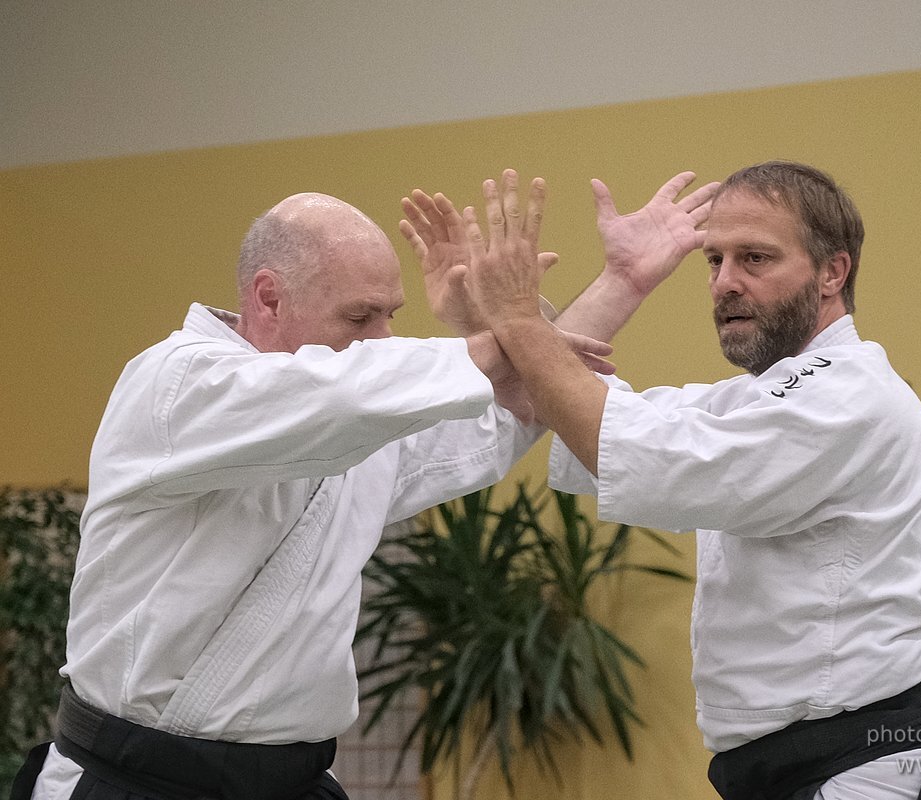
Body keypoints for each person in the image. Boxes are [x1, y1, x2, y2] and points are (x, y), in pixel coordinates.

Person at [15, 191, 624, 800]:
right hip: (139, 781)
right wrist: (511, 330)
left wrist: (621, 281)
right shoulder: (176, 383)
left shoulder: (353, 423)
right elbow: (333, 396)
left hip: (296, 781)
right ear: (269, 298)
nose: (383, 341)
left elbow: (509, 413)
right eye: (360, 319)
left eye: (391, 314)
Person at [451, 162, 921, 799]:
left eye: (755, 258)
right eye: (714, 260)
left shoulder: (850, 398)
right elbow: (584, 409)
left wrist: (517, 321)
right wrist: (621, 281)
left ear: (832, 272)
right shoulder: (756, 400)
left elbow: (651, 458)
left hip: (862, 761)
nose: (726, 282)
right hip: (772, 768)